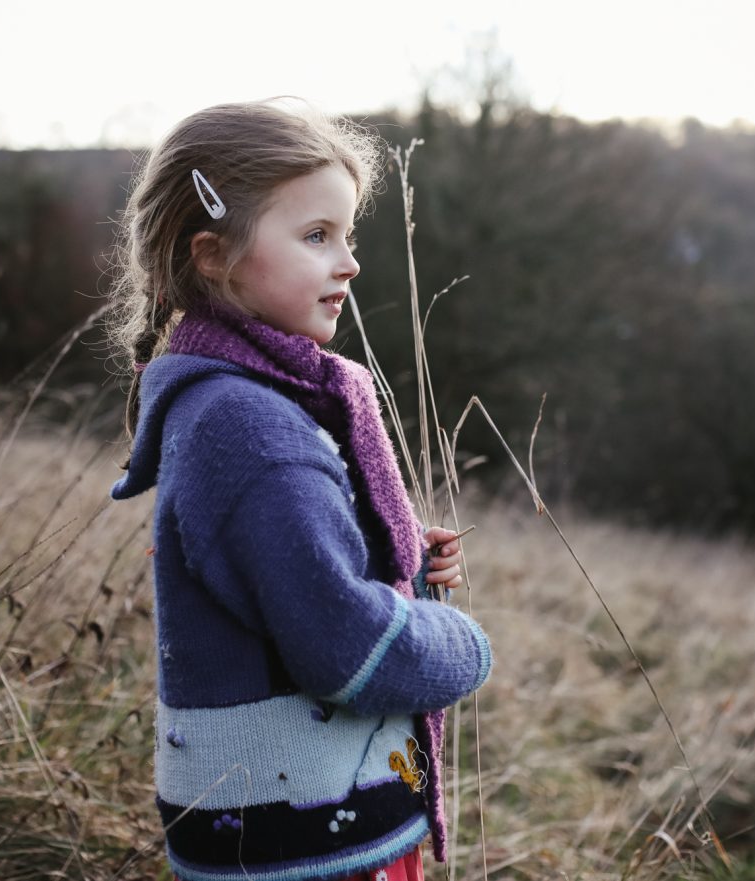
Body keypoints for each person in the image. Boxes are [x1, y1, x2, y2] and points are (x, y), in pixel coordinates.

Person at [108, 99, 492, 881]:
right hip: (310, 844)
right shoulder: (251, 427)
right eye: (317, 235)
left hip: (284, 829)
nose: (348, 262)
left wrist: (402, 570)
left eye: (348, 236)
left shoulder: (241, 405)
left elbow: (287, 588)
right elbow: (341, 642)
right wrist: (463, 642)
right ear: (213, 254)